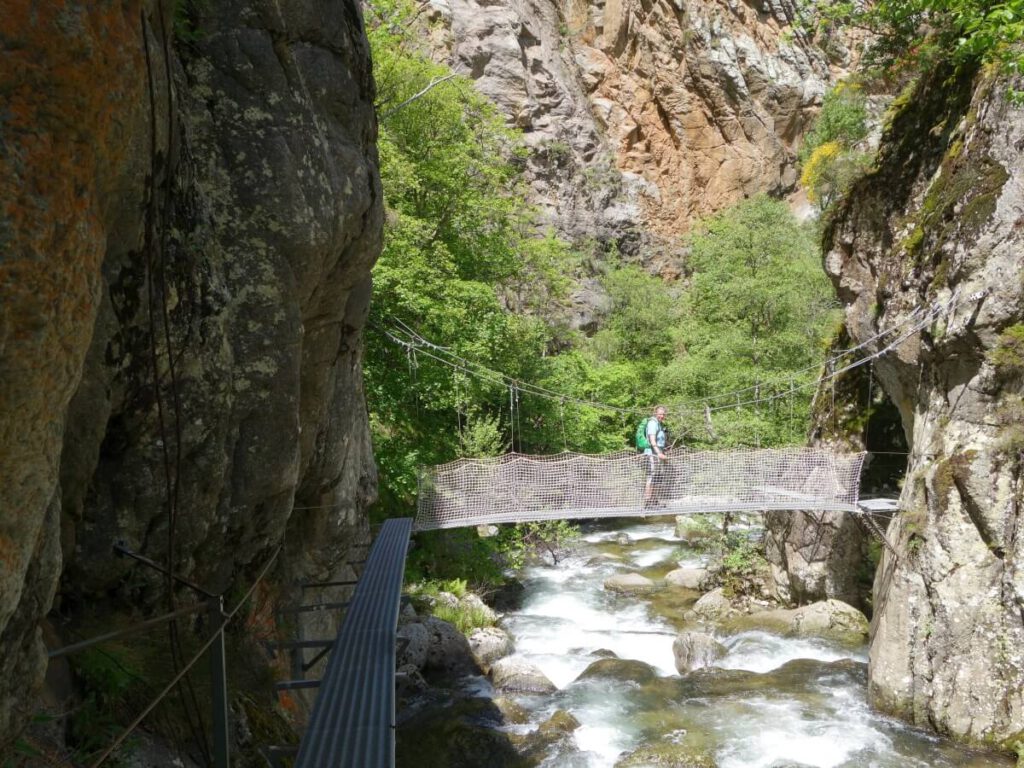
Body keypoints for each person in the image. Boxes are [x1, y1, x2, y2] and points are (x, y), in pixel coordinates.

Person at [642, 406, 668, 506]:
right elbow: (652, 441)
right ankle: (648, 501)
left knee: (657, 477)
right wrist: (659, 454)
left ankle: (654, 500)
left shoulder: (659, 424)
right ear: (655, 413)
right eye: (660, 414)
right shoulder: (652, 423)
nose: (662, 416)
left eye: (663, 414)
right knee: (651, 476)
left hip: (658, 453)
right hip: (652, 453)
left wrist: (662, 453)